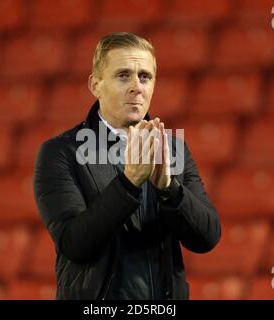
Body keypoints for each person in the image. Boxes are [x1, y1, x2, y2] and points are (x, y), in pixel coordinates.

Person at [33, 32, 221, 300]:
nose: (137, 86)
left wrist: (170, 189)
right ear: (95, 85)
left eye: (145, 76)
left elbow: (207, 238)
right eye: (123, 75)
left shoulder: (174, 150)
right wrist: (129, 182)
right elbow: (74, 244)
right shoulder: (61, 153)